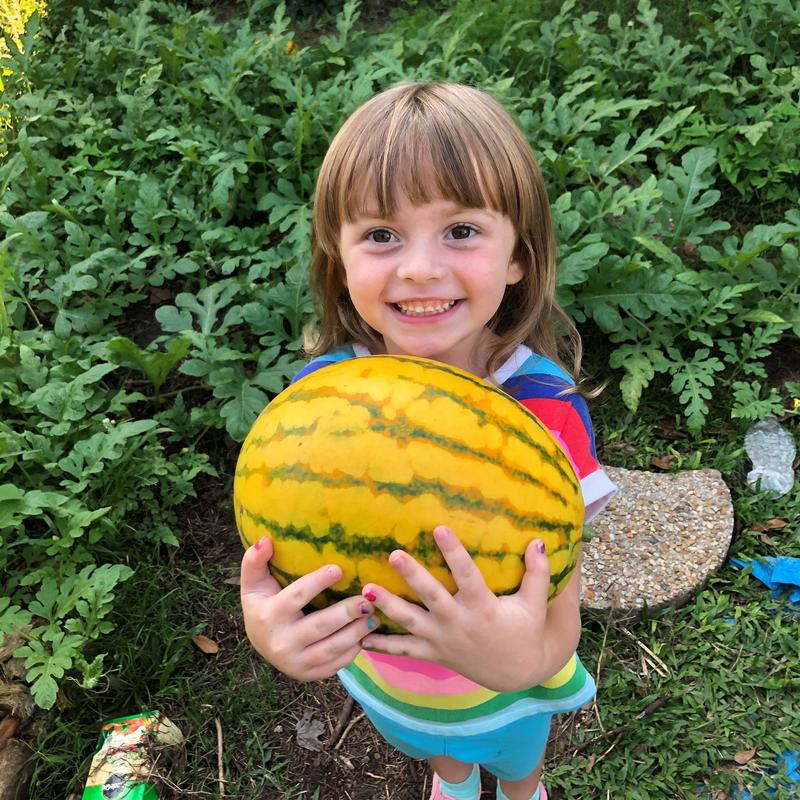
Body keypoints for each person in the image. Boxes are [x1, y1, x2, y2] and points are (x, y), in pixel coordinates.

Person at [240, 82, 617, 800]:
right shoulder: (318, 398)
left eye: (461, 230)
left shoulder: (548, 414)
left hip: (507, 695)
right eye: (381, 235)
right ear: (339, 259)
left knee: (513, 754)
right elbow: (274, 547)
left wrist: (518, 661)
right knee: (436, 750)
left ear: (518, 257)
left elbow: (559, 616)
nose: (418, 268)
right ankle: (450, 779)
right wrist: (267, 625)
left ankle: (519, 790)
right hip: (388, 684)